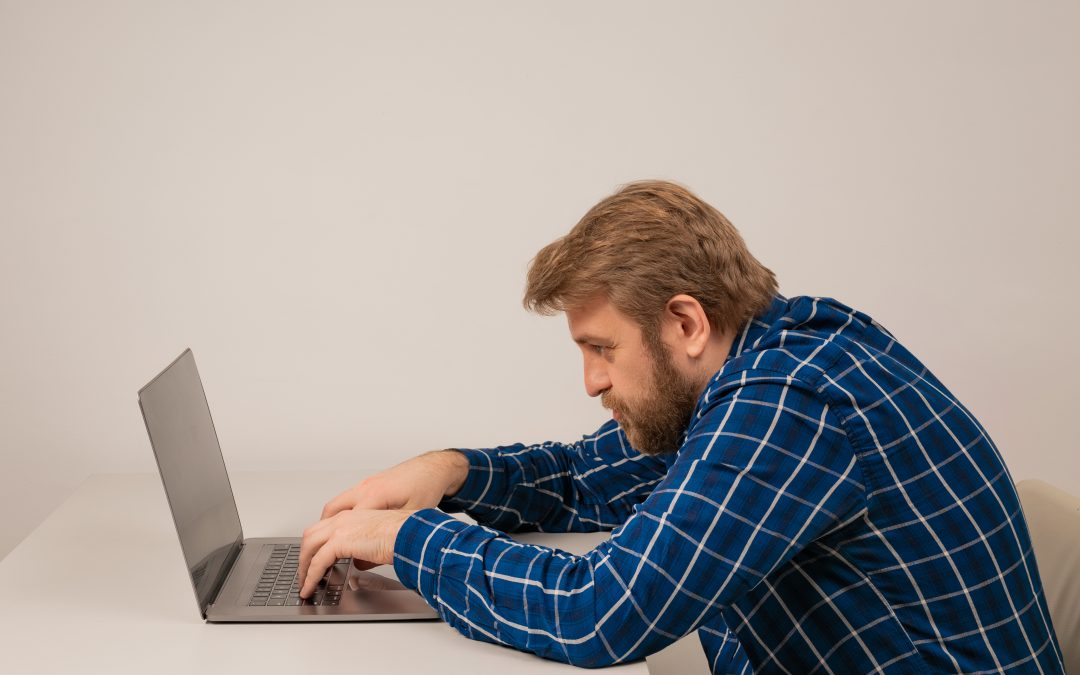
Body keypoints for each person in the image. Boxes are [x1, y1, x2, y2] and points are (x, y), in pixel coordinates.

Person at [297, 180, 1064, 673]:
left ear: (686, 322)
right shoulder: (771, 358)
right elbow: (578, 480)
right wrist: (447, 472)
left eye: (603, 348)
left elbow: (600, 612)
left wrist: (409, 540)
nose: (592, 380)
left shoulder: (790, 406)